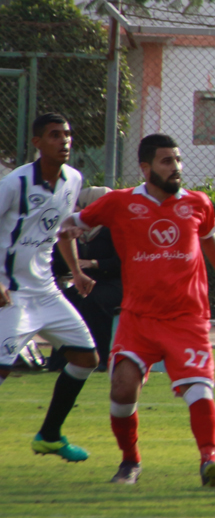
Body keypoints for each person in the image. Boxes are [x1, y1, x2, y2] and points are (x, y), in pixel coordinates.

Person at [64, 133, 215, 486]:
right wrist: (75, 270)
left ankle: (208, 460)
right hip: (138, 317)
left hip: (187, 317)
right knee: (121, 389)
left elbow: (210, 235)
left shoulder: (197, 202)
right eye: (167, 161)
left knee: (199, 388)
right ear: (146, 167)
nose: (176, 168)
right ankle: (129, 463)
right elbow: (66, 228)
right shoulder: (120, 203)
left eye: (178, 160)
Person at [0, 113, 98, 463]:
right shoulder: (15, 183)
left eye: (68, 134)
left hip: (47, 291)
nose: (64, 141)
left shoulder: (73, 179)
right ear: (37, 143)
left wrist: (76, 271)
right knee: (2, 368)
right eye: (55, 135)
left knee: (86, 357)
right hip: (11, 293)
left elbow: (59, 231)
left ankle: (50, 436)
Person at [49, 186, 121, 371]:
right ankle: (58, 362)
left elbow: (123, 262)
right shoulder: (76, 229)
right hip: (87, 282)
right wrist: (67, 241)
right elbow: (60, 263)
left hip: (116, 282)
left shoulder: (116, 227)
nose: (79, 210)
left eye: (83, 206)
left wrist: (94, 263)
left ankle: (101, 359)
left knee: (94, 302)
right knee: (66, 302)